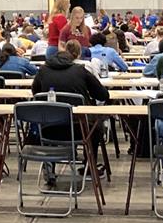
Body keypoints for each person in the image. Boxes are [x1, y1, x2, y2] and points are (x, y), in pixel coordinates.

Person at [32, 40, 110, 180]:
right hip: (81, 130)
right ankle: (89, 165)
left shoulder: (43, 71)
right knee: (97, 127)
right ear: (73, 58)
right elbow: (103, 95)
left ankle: (50, 162)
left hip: (49, 129)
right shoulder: (80, 71)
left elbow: (36, 94)